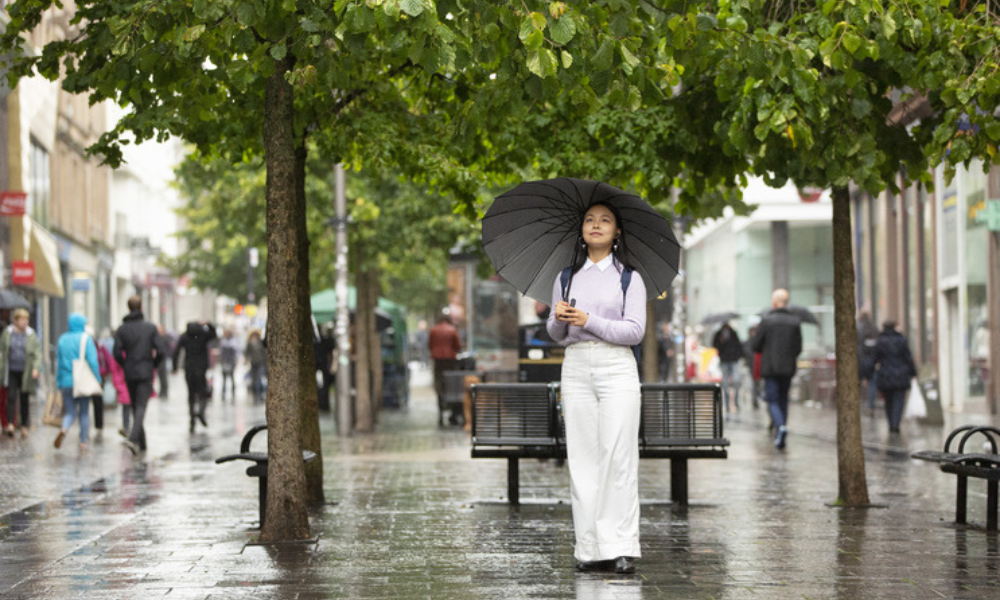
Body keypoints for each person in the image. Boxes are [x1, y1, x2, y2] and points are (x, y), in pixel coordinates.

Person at [546, 202, 645, 575]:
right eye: (589, 220)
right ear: (581, 230)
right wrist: (558, 318)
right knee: (583, 458)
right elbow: (555, 333)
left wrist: (590, 319)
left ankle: (620, 545)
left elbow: (634, 331)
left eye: (605, 220)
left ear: (617, 231)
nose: (596, 225)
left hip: (617, 367)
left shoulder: (629, 278)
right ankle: (589, 547)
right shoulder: (567, 277)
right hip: (576, 367)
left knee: (617, 457)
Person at [113, 295, 167, 455]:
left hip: (130, 371)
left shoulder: (122, 329)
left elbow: (116, 352)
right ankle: (134, 438)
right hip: (145, 371)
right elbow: (161, 351)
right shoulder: (150, 328)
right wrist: (153, 364)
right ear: (141, 307)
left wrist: (125, 364)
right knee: (141, 406)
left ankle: (141, 444)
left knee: (135, 406)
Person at [752, 289, 803, 450]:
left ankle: (780, 426)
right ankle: (782, 429)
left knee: (772, 400)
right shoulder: (795, 322)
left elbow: (756, 345)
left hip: (771, 368)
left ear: (774, 303)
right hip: (788, 368)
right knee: (783, 399)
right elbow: (798, 347)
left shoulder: (767, 321)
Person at [54, 313, 101, 451]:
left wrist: (59, 381)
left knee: (70, 412)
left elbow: (59, 362)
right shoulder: (86, 339)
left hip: (66, 381)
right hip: (82, 380)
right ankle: (82, 442)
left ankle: (64, 428)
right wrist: (97, 378)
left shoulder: (62, 339)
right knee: (84, 412)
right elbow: (92, 361)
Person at [871, 320, 918, 434]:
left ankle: (891, 424)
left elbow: (874, 358)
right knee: (899, 400)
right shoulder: (901, 340)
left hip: (885, 375)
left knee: (888, 401)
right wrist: (913, 373)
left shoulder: (880, 341)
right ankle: (896, 424)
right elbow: (908, 358)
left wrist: (869, 372)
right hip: (900, 374)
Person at [1, 308, 41, 438]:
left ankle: (24, 426)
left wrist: (36, 368)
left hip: (26, 371)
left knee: (24, 399)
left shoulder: (31, 334)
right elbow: (2, 351)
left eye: (27, 319)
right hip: (11, 370)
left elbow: (37, 353)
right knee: (11, 397)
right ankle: (11, 425)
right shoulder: (7, 333)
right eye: (22, 319)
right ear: (16, 320)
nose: (25, 322)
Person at [172, 321, 218, 432]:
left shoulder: (185, 336)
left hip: (189, 368)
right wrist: (208, 324)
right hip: (201, 368)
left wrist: (175, 367)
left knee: (191, 395)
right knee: (203, 393)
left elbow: (176, 351)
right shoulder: (203, 334)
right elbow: (214, 335)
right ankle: (201, 412)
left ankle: (192, 419)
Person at [428, 312, 462, 422]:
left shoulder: (433, 330)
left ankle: (441, 410)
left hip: (438, 362)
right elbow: (458, 346)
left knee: (439, 384)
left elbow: (430, 345)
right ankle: (453, 411)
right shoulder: (452, 330)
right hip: (450, 361)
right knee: (452, 384)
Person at [712, 321, 743, 414]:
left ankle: (736, 402)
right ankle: (727, 403)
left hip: (733, 360)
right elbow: (715, 345)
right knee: (725, 383)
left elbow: (738, 345)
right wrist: (720, 342)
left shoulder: (733, 333)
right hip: (724, 360)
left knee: (736, 381)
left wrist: (738, 356)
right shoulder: (718, 334)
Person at [856, 310, 879, 415]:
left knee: (857, 384)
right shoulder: (874, 328)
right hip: (872, 361)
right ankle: (871, 406)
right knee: (872, 383)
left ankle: (856, 404)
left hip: (859, 360)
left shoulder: (857, 328)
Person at [244, 329, 267, 403]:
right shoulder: (249, 343)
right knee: (254, 380)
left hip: (261, 363)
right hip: (253, 363)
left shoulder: (261, 342)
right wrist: (246, 360)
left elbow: (264, 352)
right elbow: (247, 353)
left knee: (259, 379)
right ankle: (256, 396)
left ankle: (260, 395)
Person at [218, 329, 240, 402]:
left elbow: (235, 354)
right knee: (224, 379)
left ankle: (233, 394)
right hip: (224, 362)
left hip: (231, 362)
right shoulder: (222, 342)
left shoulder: (233, 342)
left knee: (232, 378)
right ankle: (223, 394)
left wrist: (235, 363)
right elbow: (221, 353)